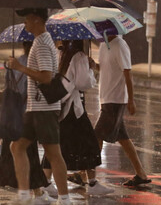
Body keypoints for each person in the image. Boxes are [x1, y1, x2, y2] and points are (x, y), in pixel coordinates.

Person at [7, 8, 75, 205]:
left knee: (53, 153)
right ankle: (25, 196)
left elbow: (46, 77)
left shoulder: (43, 44)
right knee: (17, 147)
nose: (25, 24)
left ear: (36, 20)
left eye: (27, 19)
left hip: (43, 108)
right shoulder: (41, 41)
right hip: (35, 108)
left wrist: (20, 68)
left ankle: (65, 201)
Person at [0, 42, 55, 205]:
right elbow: (26, 91)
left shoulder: (19, 60)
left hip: (16, 115)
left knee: (30, 153)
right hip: (23, 115)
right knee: (12, 154)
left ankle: (39, 193)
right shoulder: (30, 63)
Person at [41, 40, 113, 196]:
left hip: (63, 105)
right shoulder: (79, 56)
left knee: (57, 144)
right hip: (74, 108)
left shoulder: (62, 54)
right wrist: (91, 69)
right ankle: (92, 183)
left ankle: (45, 181)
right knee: (89, 143)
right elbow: (83, 83)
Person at [90, 33, 152, 187]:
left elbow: (127, 73)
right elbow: (104, 69)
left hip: (116, 100)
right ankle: (141, 173)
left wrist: (131, 100)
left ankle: (86, 174)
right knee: (123, 138)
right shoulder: (104, 45)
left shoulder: (120, 45)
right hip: (105, 98)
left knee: (96, 136)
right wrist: (94, 65)